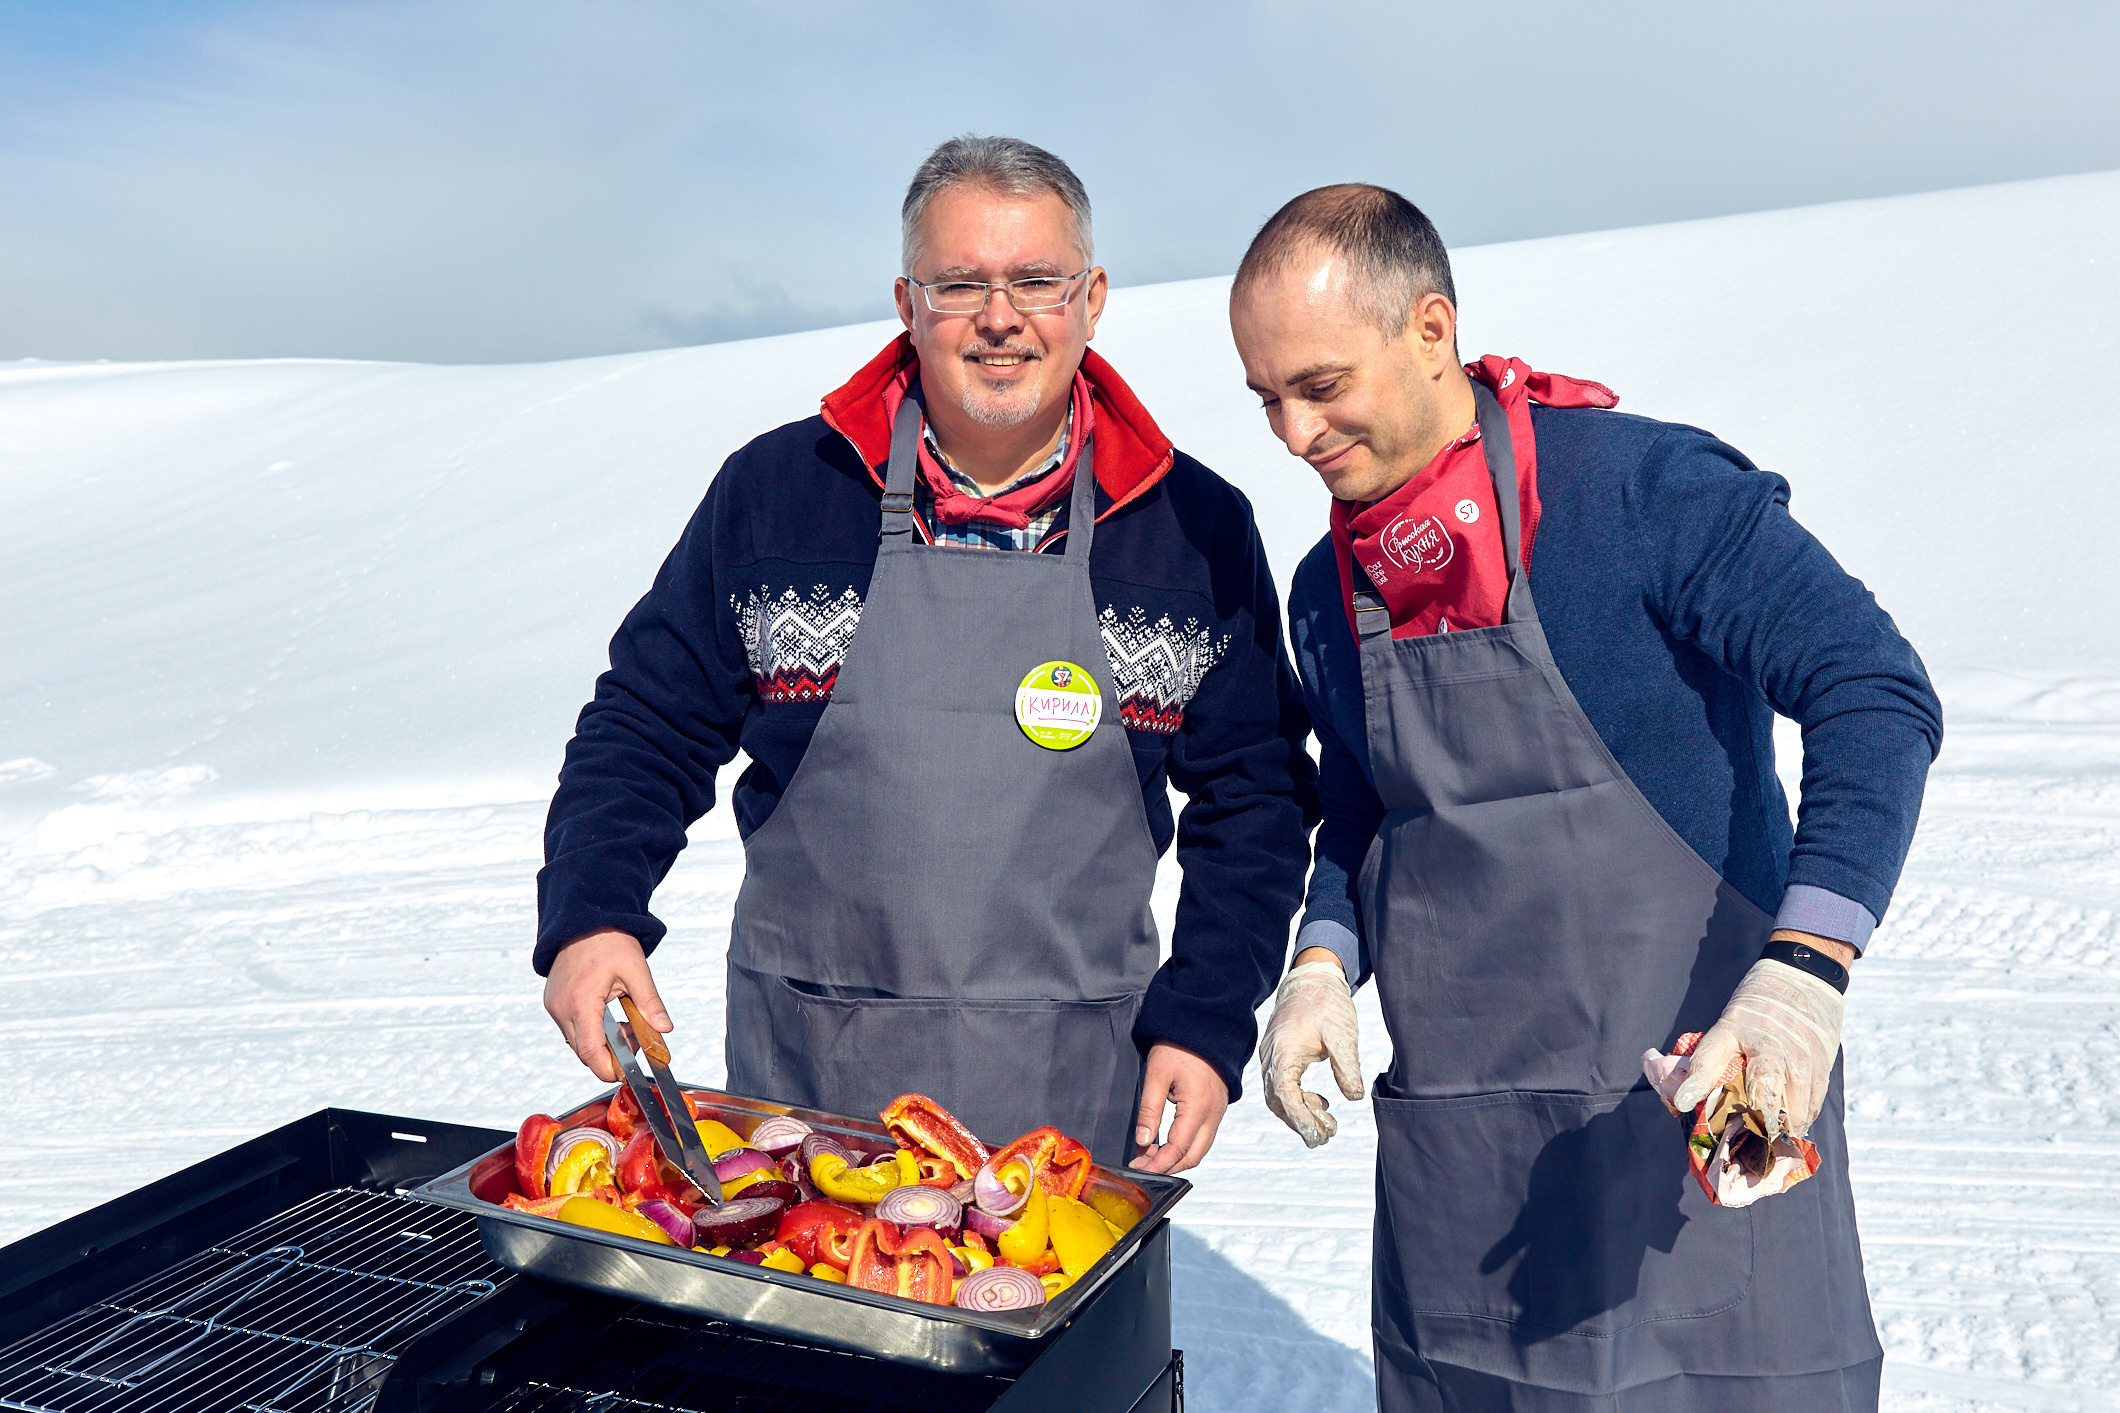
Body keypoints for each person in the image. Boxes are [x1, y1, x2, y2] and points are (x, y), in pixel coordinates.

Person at [1232, 185, 1941, 1409]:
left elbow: (1869, 690)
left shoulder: (1637, 495)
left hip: (1698, 1112)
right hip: (1469, 1160)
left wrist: (1803, 972)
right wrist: (1318, 960)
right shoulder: (1321, 587)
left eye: (1321, 385)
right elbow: (1359, 804)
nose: (1293, 433)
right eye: (1267, 399)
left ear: (1430, 329)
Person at [534, 136, 1315, 1174]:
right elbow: (646, 723)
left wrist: (1204, 1018)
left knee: (1064, 1341)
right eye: (961, 284)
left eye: (1036, 280)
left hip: (1072, 1108)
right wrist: (590, 916)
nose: (1001, 316)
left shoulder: (1188, 528)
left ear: (1092, 298)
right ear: (907, 303)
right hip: (808, 1099)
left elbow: (1253, 801)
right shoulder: (780, 494)